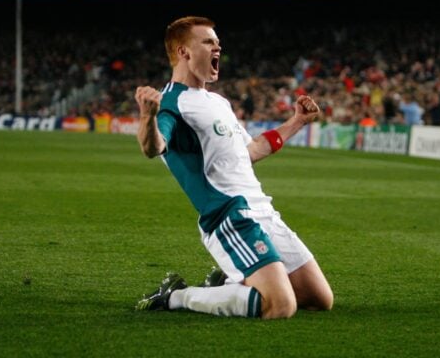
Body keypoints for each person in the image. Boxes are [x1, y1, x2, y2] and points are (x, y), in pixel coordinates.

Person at [134, 16, 333, 319]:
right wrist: (148, 117)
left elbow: (250, 151)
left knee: (319, 298)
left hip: (262, 211)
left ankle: (225, 284)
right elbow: (154, 147)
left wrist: (297, 122)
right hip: (228, 215)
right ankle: (175, 296)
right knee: (280, 306)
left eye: (217, 42)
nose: (218, 47)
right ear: (183, 51)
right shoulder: (172, 103)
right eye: (209, 42)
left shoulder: (218, 102)